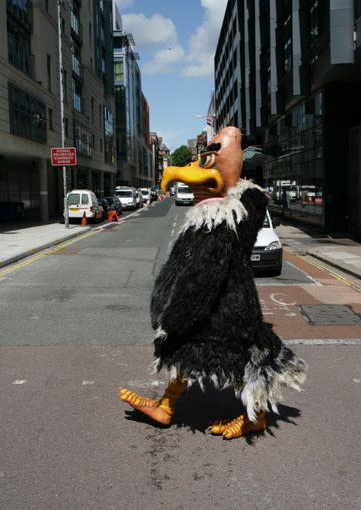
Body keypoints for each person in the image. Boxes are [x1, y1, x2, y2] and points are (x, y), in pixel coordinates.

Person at [118, 126, 307, 439]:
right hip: (225, 304)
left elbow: (202, 276)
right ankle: (166, 406)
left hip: (225, 309)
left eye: (212, 156)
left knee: (240, 358)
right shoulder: (217, 216)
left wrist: (175, 318)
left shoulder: (220, 223)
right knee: (189, 352)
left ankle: (254, 417)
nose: (200, 169)